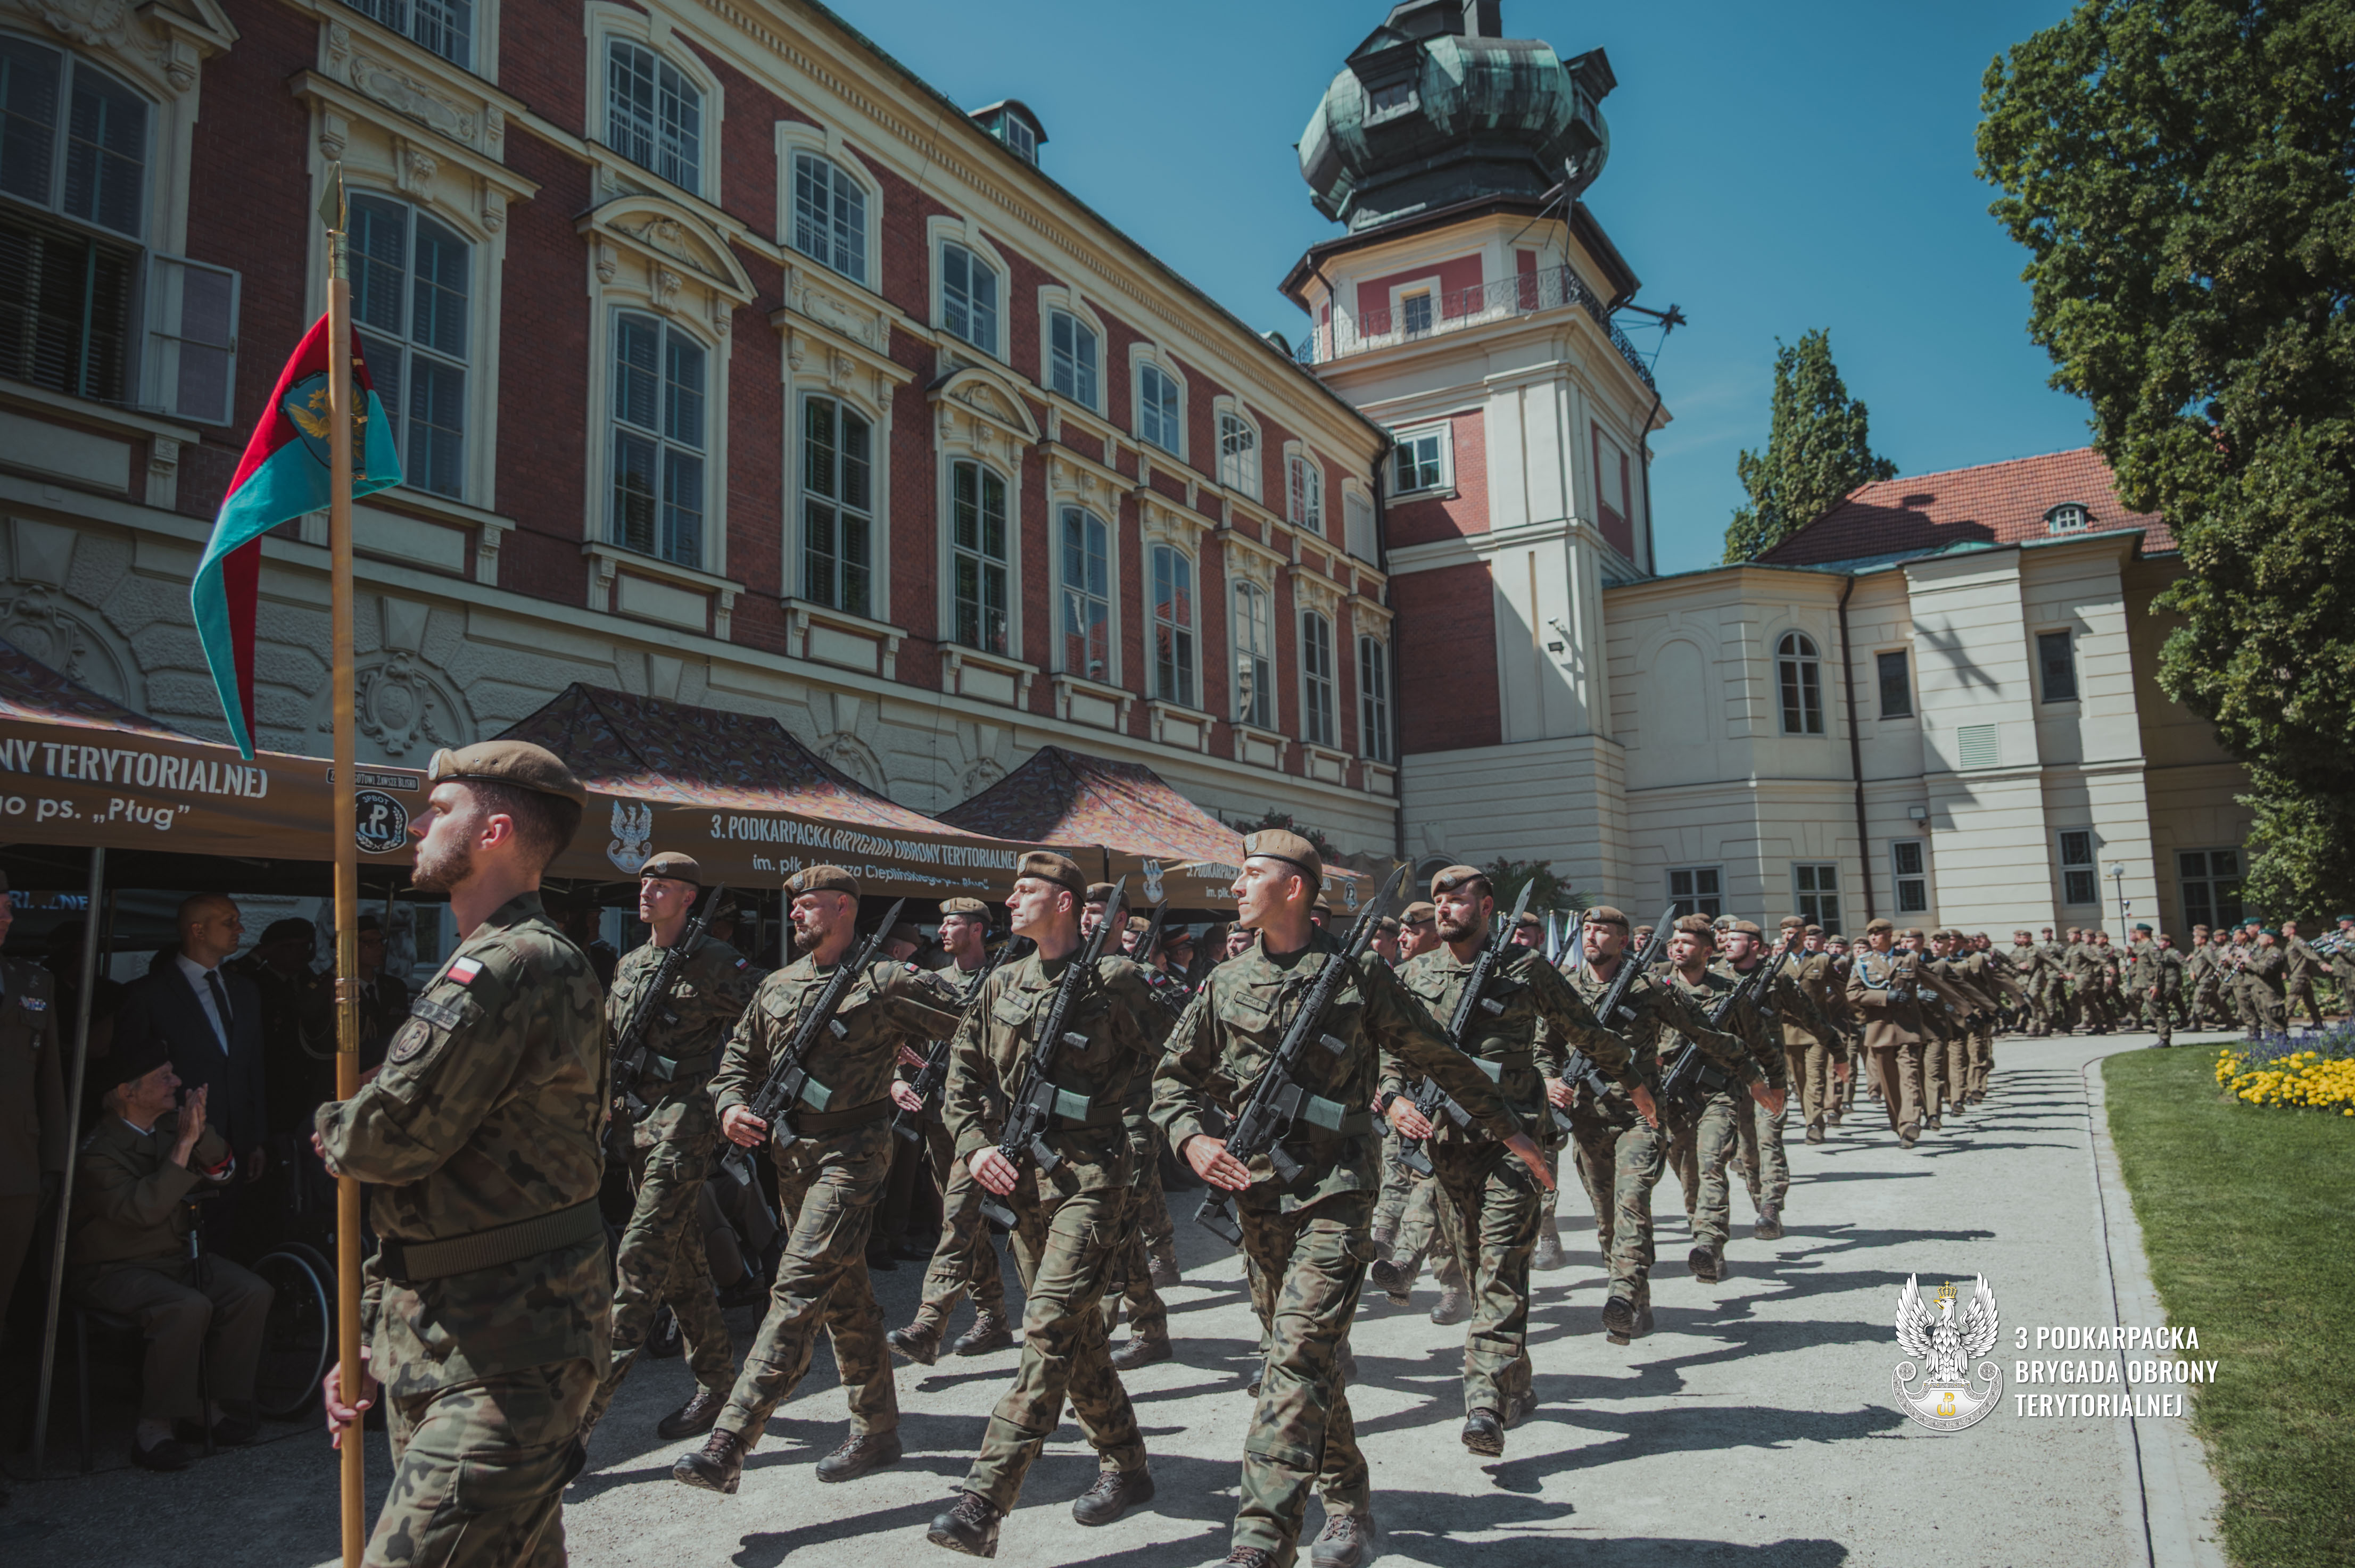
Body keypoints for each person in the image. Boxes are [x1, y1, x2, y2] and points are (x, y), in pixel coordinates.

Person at [1153, 832, 1551, 1568]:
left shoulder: (1357, 972)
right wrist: (1189, 1139)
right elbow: (1172, 1078)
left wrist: (1513, 1130)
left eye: (1249, 875)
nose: (1234, 886)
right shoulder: (1225, 980)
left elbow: (1437, 1053)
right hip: (1259, 1198)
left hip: (1337, 1193)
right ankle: (1348, 1507)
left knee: (1295, 1354)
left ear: (1294, 887)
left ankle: (1260, 1537)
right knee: (1302, 1359)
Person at [315, 741, 607, 1564]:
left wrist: (335, 1122)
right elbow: (433, 1183)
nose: (416, 824)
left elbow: (384, 1141)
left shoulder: (512, 964)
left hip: (513, 1343)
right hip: (447, 1328)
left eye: (441, 808)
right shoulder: (485, 960)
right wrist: (371, 1333)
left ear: (496, 831)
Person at [673, 866, 965, 1495]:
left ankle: (730, 1440)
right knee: (844, 1293)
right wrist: (730, 1105)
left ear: (842, 908)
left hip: (854, 1154)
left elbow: (980, 1030)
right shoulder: (777, 985)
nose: (797, 916)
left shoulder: (887, 982)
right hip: (790, 1158)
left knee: (799, 1284)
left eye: (807, 906)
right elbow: (736, 1063)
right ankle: (878, 1428)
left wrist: (945, 1093)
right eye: (795, 907)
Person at [925, 854, 1170, 1555]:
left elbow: (1185, 1057)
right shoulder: (1003, 981)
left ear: (1062, 902)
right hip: (1019, 1179)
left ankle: (984, 1498)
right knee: (1075, 1332)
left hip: (1092, 1180)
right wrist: (975, 1146)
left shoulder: (1118, 981)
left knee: (1047, 1323)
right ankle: (1127, 1464)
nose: (1009, 899)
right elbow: (962, 1080)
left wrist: (1154, 1127)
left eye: (1024, 889)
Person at [1392, 866, 1636, 1451]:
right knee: (1481, 1276)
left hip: (1515, 1145)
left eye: (1457, 898)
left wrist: (1635, 1076)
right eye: (1438, 900)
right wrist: (1394, 1097)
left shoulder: (1526, 969)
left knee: (1501, 1270)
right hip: (1448, 1147)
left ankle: (1483, 1403)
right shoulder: (1414, 974)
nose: (1446, 907)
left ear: (1487, 905)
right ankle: (1517, 1385)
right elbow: (1390, 1051)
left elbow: (1584, 1030)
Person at [581, 853, 764, 1445]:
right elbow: (611, 1042)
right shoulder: (631, 964)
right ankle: (716, 1384)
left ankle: (579, 1419)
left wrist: (740, 1094)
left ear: (688, 897)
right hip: (635, 1127)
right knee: (681, 1262)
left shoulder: (716, 960)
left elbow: (771, 1019)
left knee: (640, 1259)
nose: (647, 890)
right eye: (644, 882)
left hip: (685, 1125)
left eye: (661, 884)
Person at [70, 1036, 272, 1470]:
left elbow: (223, 1173)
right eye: (163, 1076)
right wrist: (183, 1147)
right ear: (127, 1091)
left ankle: (205, 1406)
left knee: (251, 1291)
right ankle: (154, 1426)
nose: (176, 1081)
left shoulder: (170, 1125)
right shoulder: (97, 1151)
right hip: (114, 1268)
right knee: (185, 1306)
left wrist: (200, 1130)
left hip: (175, 1258)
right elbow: (142, 1210)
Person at [1558, 906, 1724, 1345]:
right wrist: (1549, 1079)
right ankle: (1639, 1301)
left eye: (1603, 930)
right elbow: (1543, 1046)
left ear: (1624, 939)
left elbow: (1704, 1030)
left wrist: (1756, 1074)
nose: (1591, 936)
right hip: (1586, 1120)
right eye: (1587, 929)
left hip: (1639, 1116)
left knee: (1631, 1205)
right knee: (1607, 1220)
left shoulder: (1648, 988)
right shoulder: (1565, 987)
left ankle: (1622, 1295)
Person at [888, 897, 1014, 1364]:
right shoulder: (931, 981)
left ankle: (929, 1322)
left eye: (953, 922)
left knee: (960, 1215)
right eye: (941, 922)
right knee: (964, 1219)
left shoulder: (1003, 981)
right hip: (939, 1115)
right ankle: (994, 1317)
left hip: (984, 1119)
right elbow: (894, 1040)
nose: (942, 929)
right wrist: (896, 1080)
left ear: (978, 930)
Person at [110, 896, 269, 1252]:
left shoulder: (245, 991)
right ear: (197, 930)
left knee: (229, 1236)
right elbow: (128, 1074)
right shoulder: (147, 994)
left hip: (234, 1139)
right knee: (176, 1239)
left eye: (238, 920)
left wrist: (255, 1136)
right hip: (173, 1142)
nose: (240, 929)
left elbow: (252, 1065)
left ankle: (221, 1303)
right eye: (229, 921)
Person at [1654, 918, 1784, 1282]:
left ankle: (1710, 1243)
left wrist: (1774, 1084)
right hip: (1672, 1096)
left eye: (1687, 942)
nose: (1677, 947)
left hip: (1718, 1093)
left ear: (1708, 951)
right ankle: (1703, 1237)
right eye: (1674, 942)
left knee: (1711, 1161)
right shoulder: (1656, 990)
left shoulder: (1728, 992)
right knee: (1687, 1171)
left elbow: (1760, 1041)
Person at [1, 872, 67, 1335]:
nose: (7, 916)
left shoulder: (33, 981)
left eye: (8, 905)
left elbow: (51, 1081)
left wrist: (54, 1164)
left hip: (16, 1165)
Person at [2282, 920, 2325, 1028]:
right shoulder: (2290, 943)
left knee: (2292, 998)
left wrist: (2321, 963)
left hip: (2300, 975)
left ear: (2292, 930)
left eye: (2285, 928)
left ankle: (2282, 1024)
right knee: (2309, 1000)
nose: (2282, 931)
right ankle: (2318, 1022)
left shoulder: (2298, 941)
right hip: (2299, 974)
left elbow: (2309, 953)